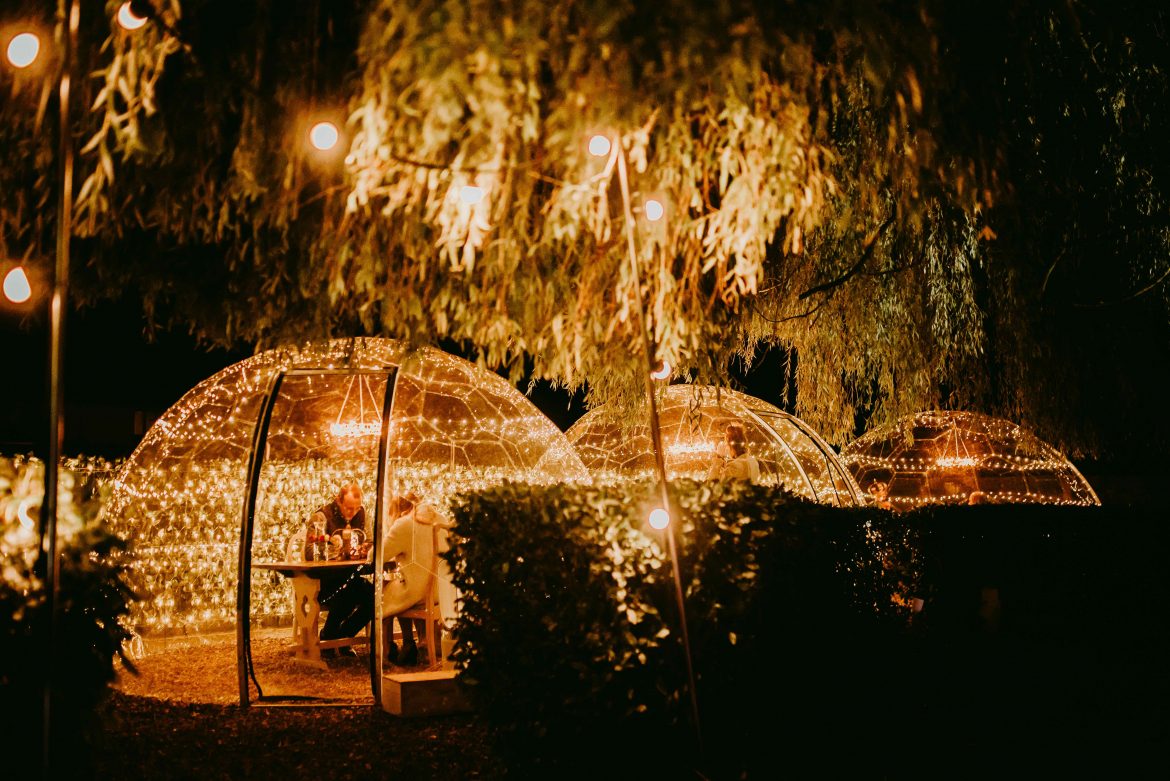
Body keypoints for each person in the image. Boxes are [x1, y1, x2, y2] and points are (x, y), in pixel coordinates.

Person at [381, 492, 451, 667]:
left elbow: (376, 556)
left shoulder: (404, 524)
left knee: (385, 592)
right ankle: (411, 644)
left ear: (397, 511)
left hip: (420, 592)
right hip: (443, 590)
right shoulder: (440, 518)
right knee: (400, 585)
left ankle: (394, 647)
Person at [311, 483, 372, 654]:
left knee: (375, 596)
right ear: (338, 501)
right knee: (348, 592)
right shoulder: (322, 517)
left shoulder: (361, 514)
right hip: (325, 581)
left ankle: (338, 637)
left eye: (357, 508)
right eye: (349, 508)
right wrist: (331, 546)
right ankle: (332, 640)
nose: (353, 513)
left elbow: (370, 540)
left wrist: (364, 548)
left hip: (349, 576)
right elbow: (309, 551)